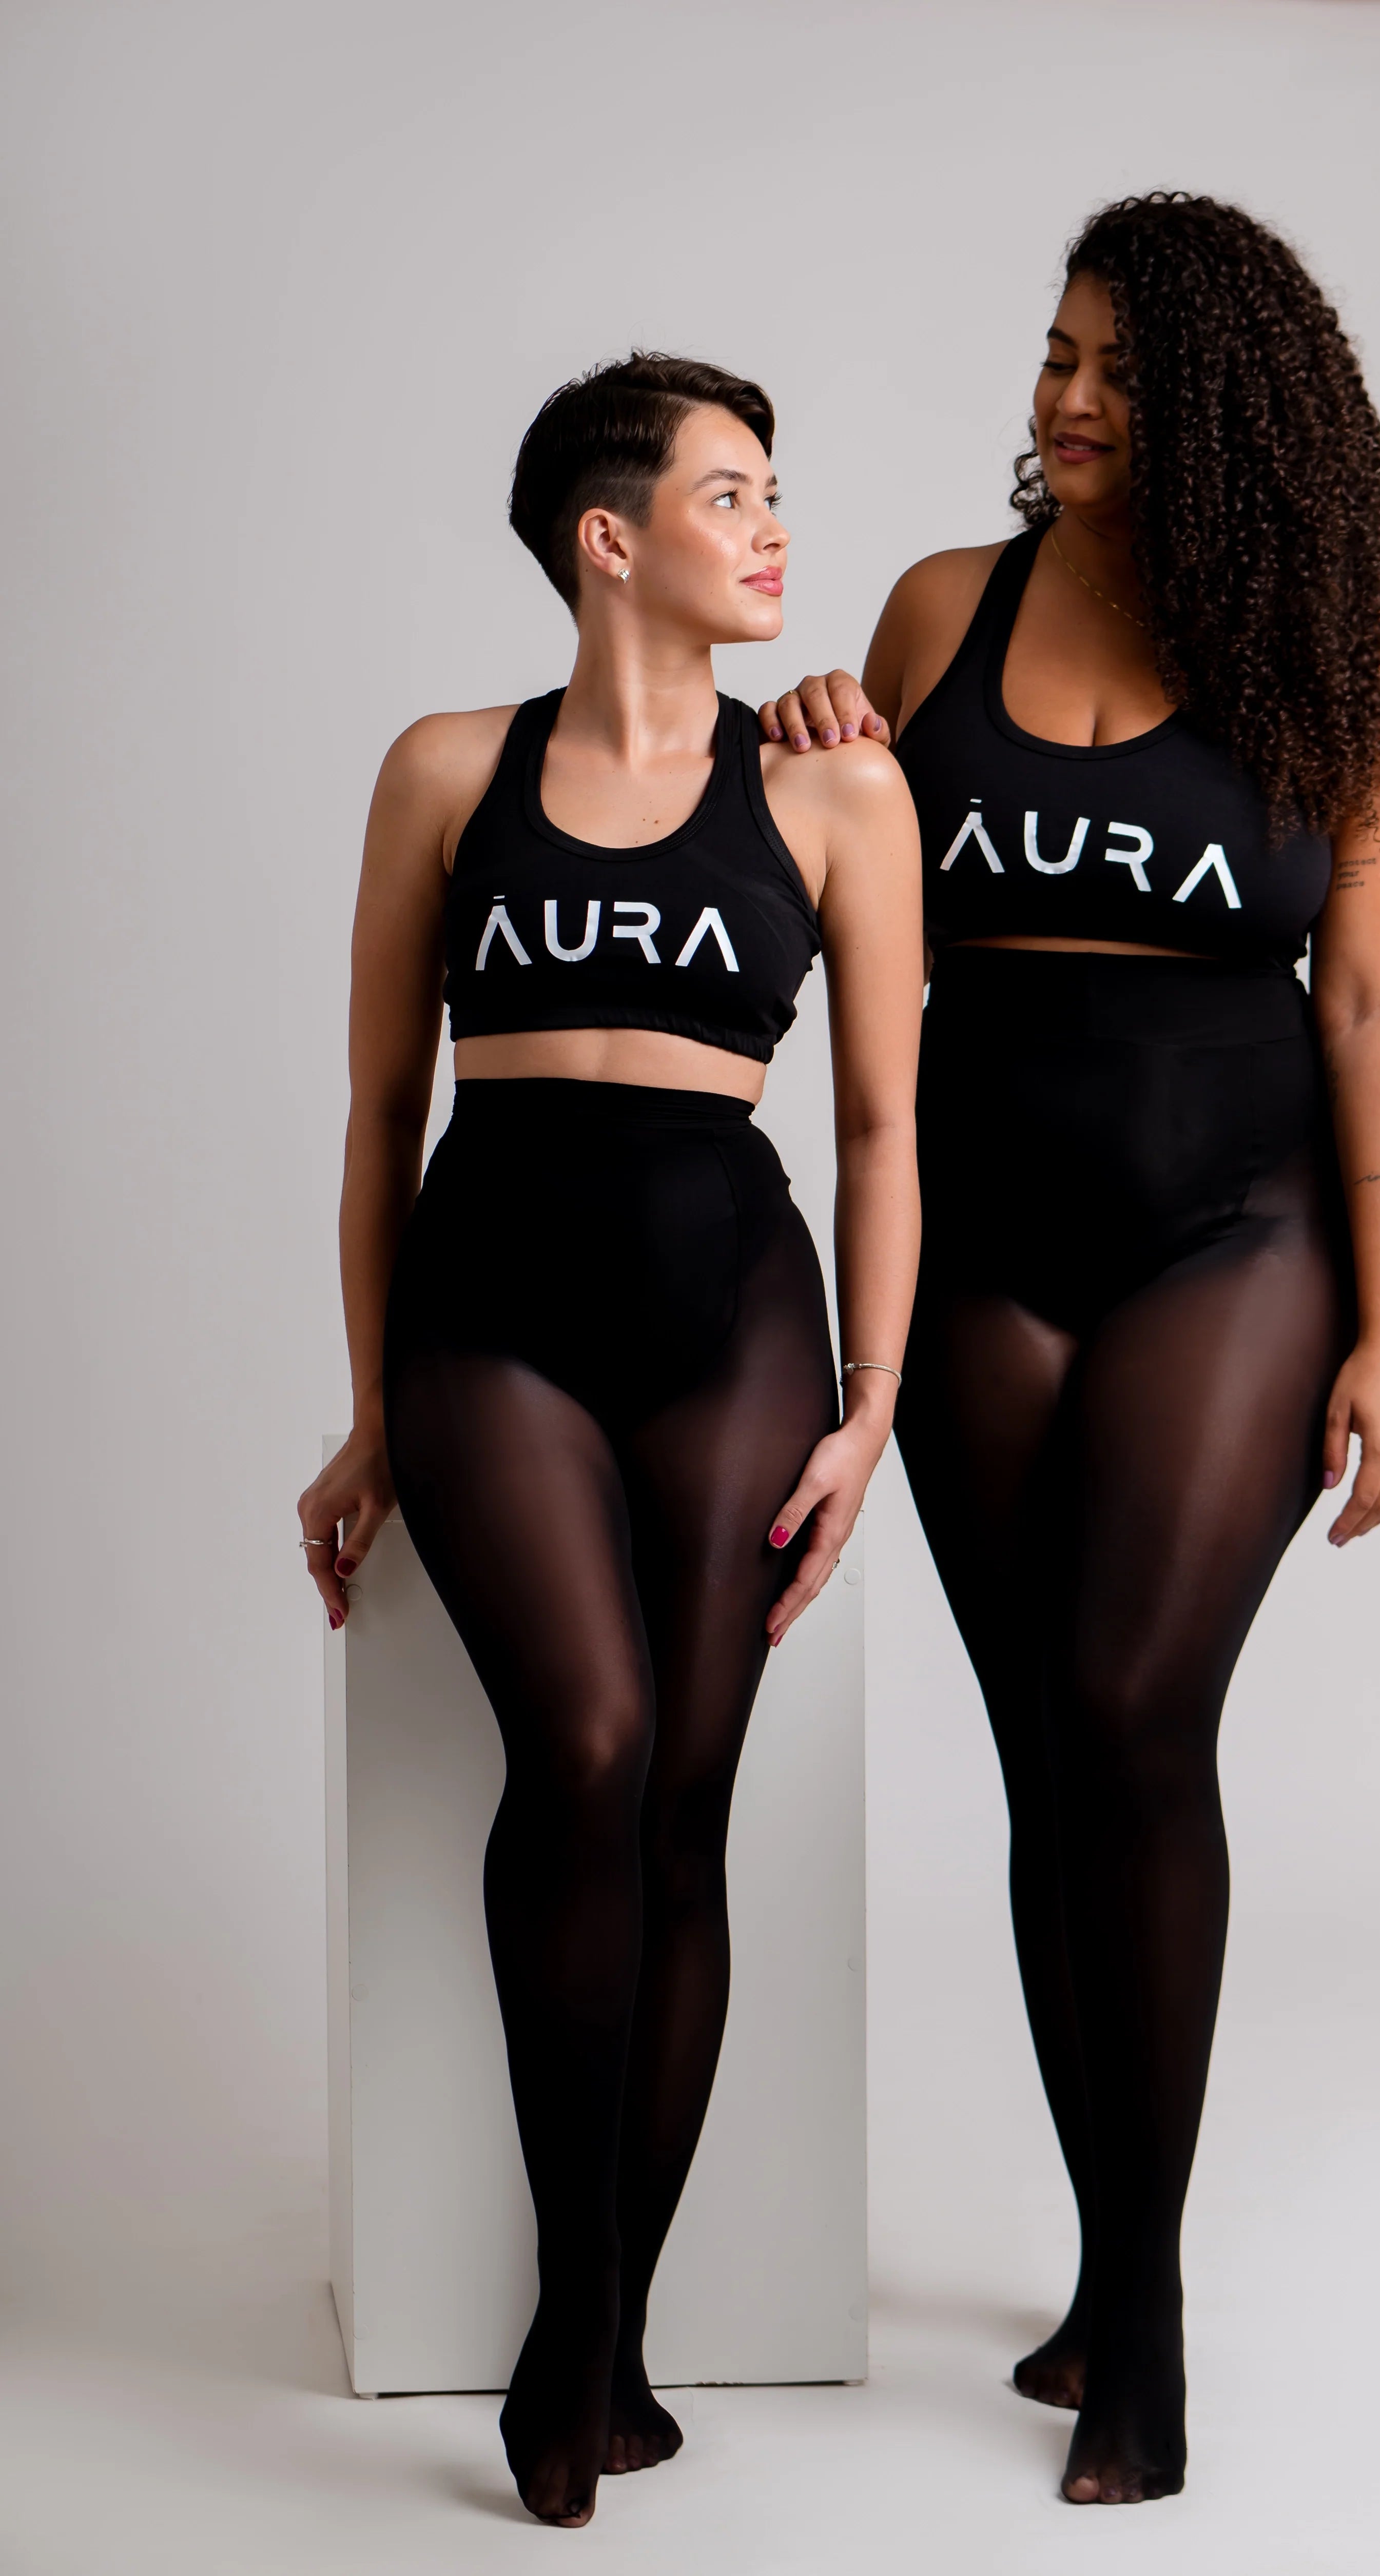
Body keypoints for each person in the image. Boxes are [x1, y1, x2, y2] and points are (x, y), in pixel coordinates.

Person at [762, 192, 1380, 2507]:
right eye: (1057, 353)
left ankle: (1141, 2321)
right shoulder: (940, 609)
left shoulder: (1332, 674)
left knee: (1140, 1715)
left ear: (1227, 412)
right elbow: (844, 893)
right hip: (980, 1251)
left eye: (1122, 373)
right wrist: (812, 741)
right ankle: (1097, 2263)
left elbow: (1372, 1001)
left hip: (1233, 1238)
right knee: (1055, 1760)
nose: (1066, 399)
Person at [297, 354, 922, 2528]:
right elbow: (382, 1114)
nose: (772, 527)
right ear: (609, 537)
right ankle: (578, 2322)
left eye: (774, 491)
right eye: (730, 494)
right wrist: (373, 1407)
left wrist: (872, 1406)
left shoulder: (835, 794)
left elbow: (880, 1127)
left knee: (679, 1798)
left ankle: (608, 2332)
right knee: (580, 1741)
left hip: (730, 1317)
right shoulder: (445, 770)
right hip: (494, 1316)